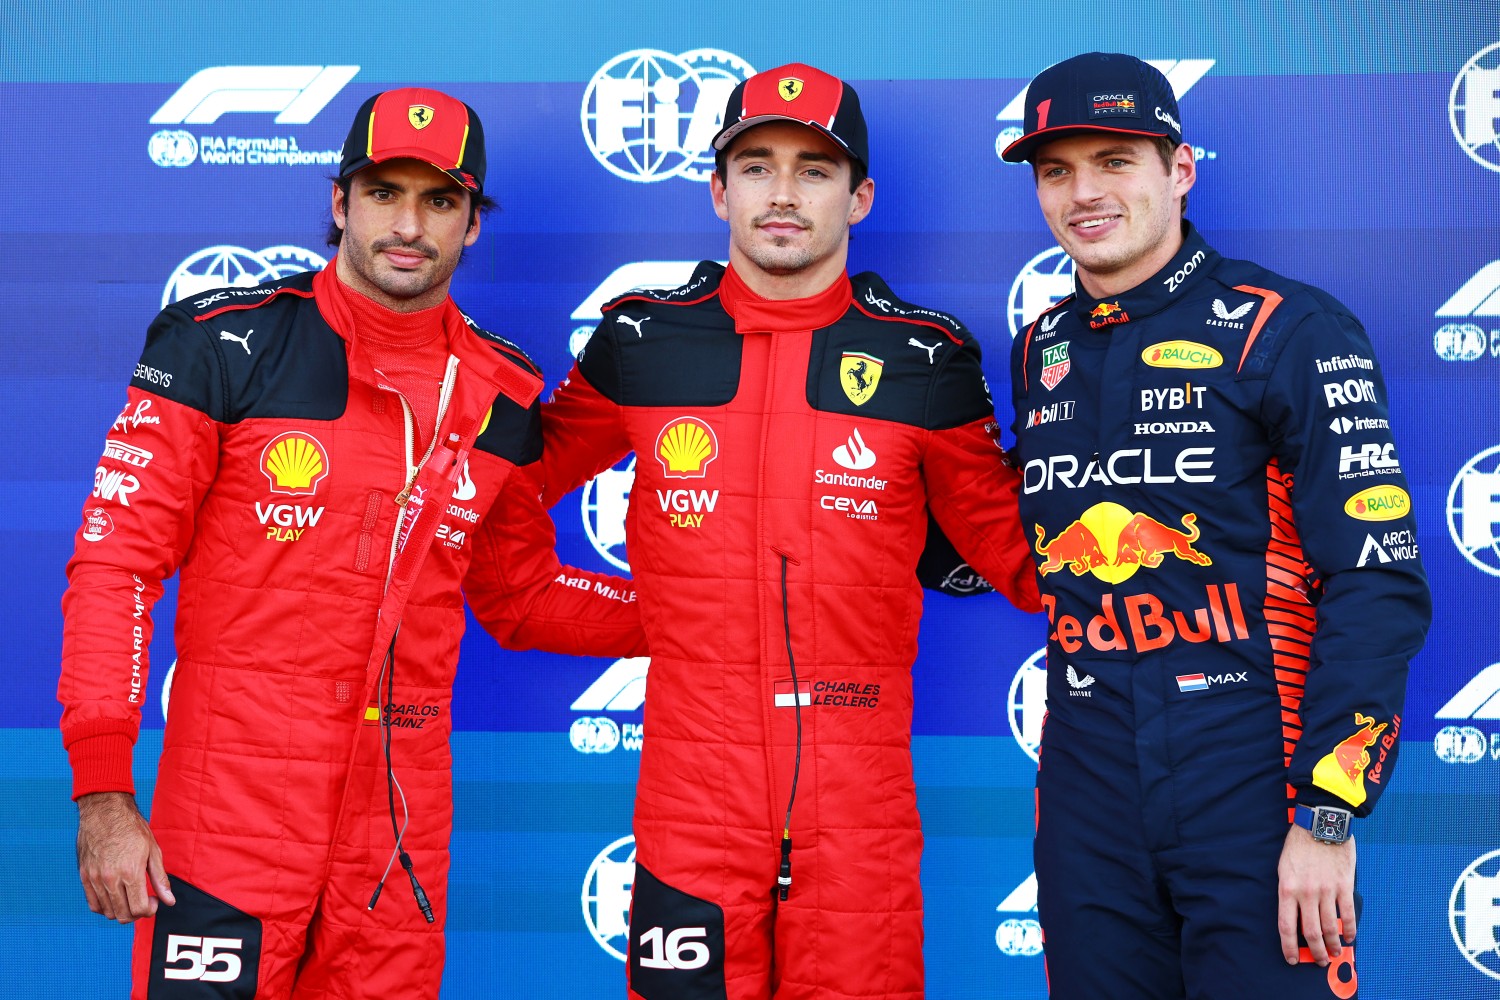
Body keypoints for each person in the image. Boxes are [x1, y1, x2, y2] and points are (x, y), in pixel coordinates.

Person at [59, 87, 644, 998]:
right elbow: (116, 567)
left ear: (471, 225)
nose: (408, 226)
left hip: (398, 824)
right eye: (384, 194)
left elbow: (521, 598)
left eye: (440, 200)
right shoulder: (222, 343)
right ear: (339, 204)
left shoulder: (502, 392)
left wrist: (705, 614)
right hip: (231, 808)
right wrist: (103, 792)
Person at [542, 62, 1041, 999]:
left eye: (814, 170)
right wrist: (617, 616)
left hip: (858, 799)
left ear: (860, 199)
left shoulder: (925, 357)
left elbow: (1018, 555)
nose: (782, 193)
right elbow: (493, 500)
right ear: (718, 188)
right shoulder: (642, 340)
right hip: (693, 791)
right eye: (758, 164)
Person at [999, 53, 1430, 999]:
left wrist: (1327, 814)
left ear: (1179, 171)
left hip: (1253, 780)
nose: (1084, 194)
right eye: (1057, 170)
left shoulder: (1290, 329)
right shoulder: (1043, 347)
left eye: (1115, 160)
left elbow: (1376, 580)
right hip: (1086, 789)